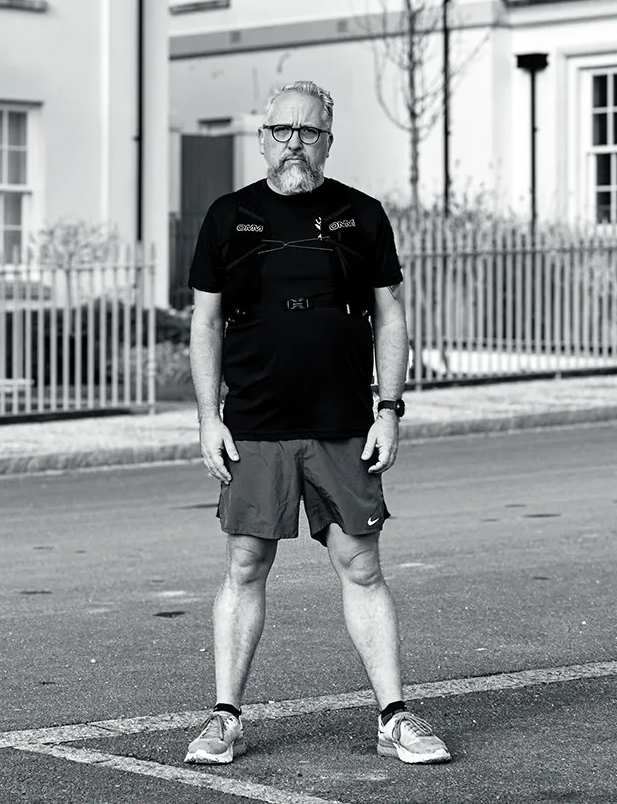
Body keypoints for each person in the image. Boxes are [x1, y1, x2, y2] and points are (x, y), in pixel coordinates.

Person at [182, 80, 451, 766]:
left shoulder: (361, 216)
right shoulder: (228, 216)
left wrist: (389, 410)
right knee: (246, 564)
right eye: (281, 131)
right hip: (255, 425)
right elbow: (205, 322)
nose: (293, 143)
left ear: (329, 139)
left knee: (361, 565)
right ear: (262, 137)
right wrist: (207, 419)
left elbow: (389, 316)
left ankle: (393, 717)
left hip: (341, 426)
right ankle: (224, 719)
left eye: (308, 132)